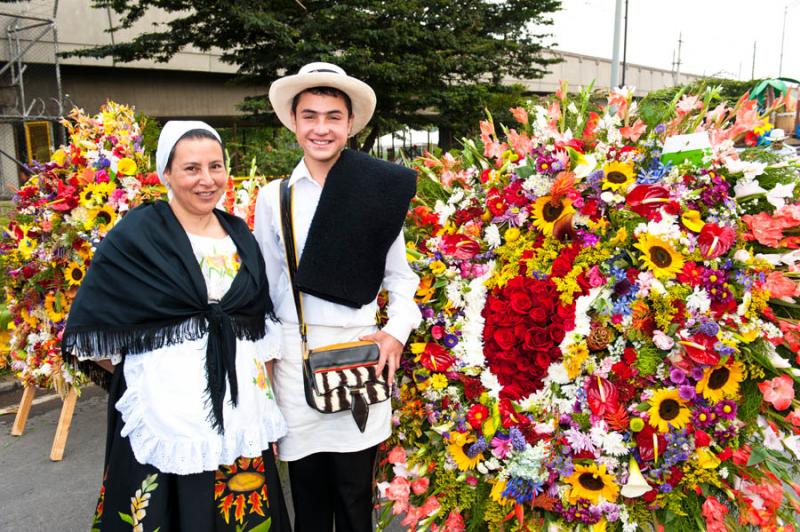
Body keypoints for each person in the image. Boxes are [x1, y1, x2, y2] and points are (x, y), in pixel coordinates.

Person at [62, 121, 290, 531]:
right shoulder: (137, 235)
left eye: (216, 166)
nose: (207, 180)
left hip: (239, 413)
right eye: (191, 169)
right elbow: (91, 326)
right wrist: (147, 378)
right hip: (165, 412)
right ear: (166, 173)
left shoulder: (239, 233)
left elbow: (258, 323)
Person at [254, 62, 422, 531]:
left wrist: (394, 335)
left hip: (360, 359)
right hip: (294, 359)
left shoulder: (377, 192)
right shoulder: (275, 197)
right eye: (310, 115)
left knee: (353, 498)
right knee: (307, 499)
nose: (321, 127)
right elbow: (265, 291)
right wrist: (263, 379)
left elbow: (402, 279)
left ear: (350, 124)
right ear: (294, 121)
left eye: (333, 116)